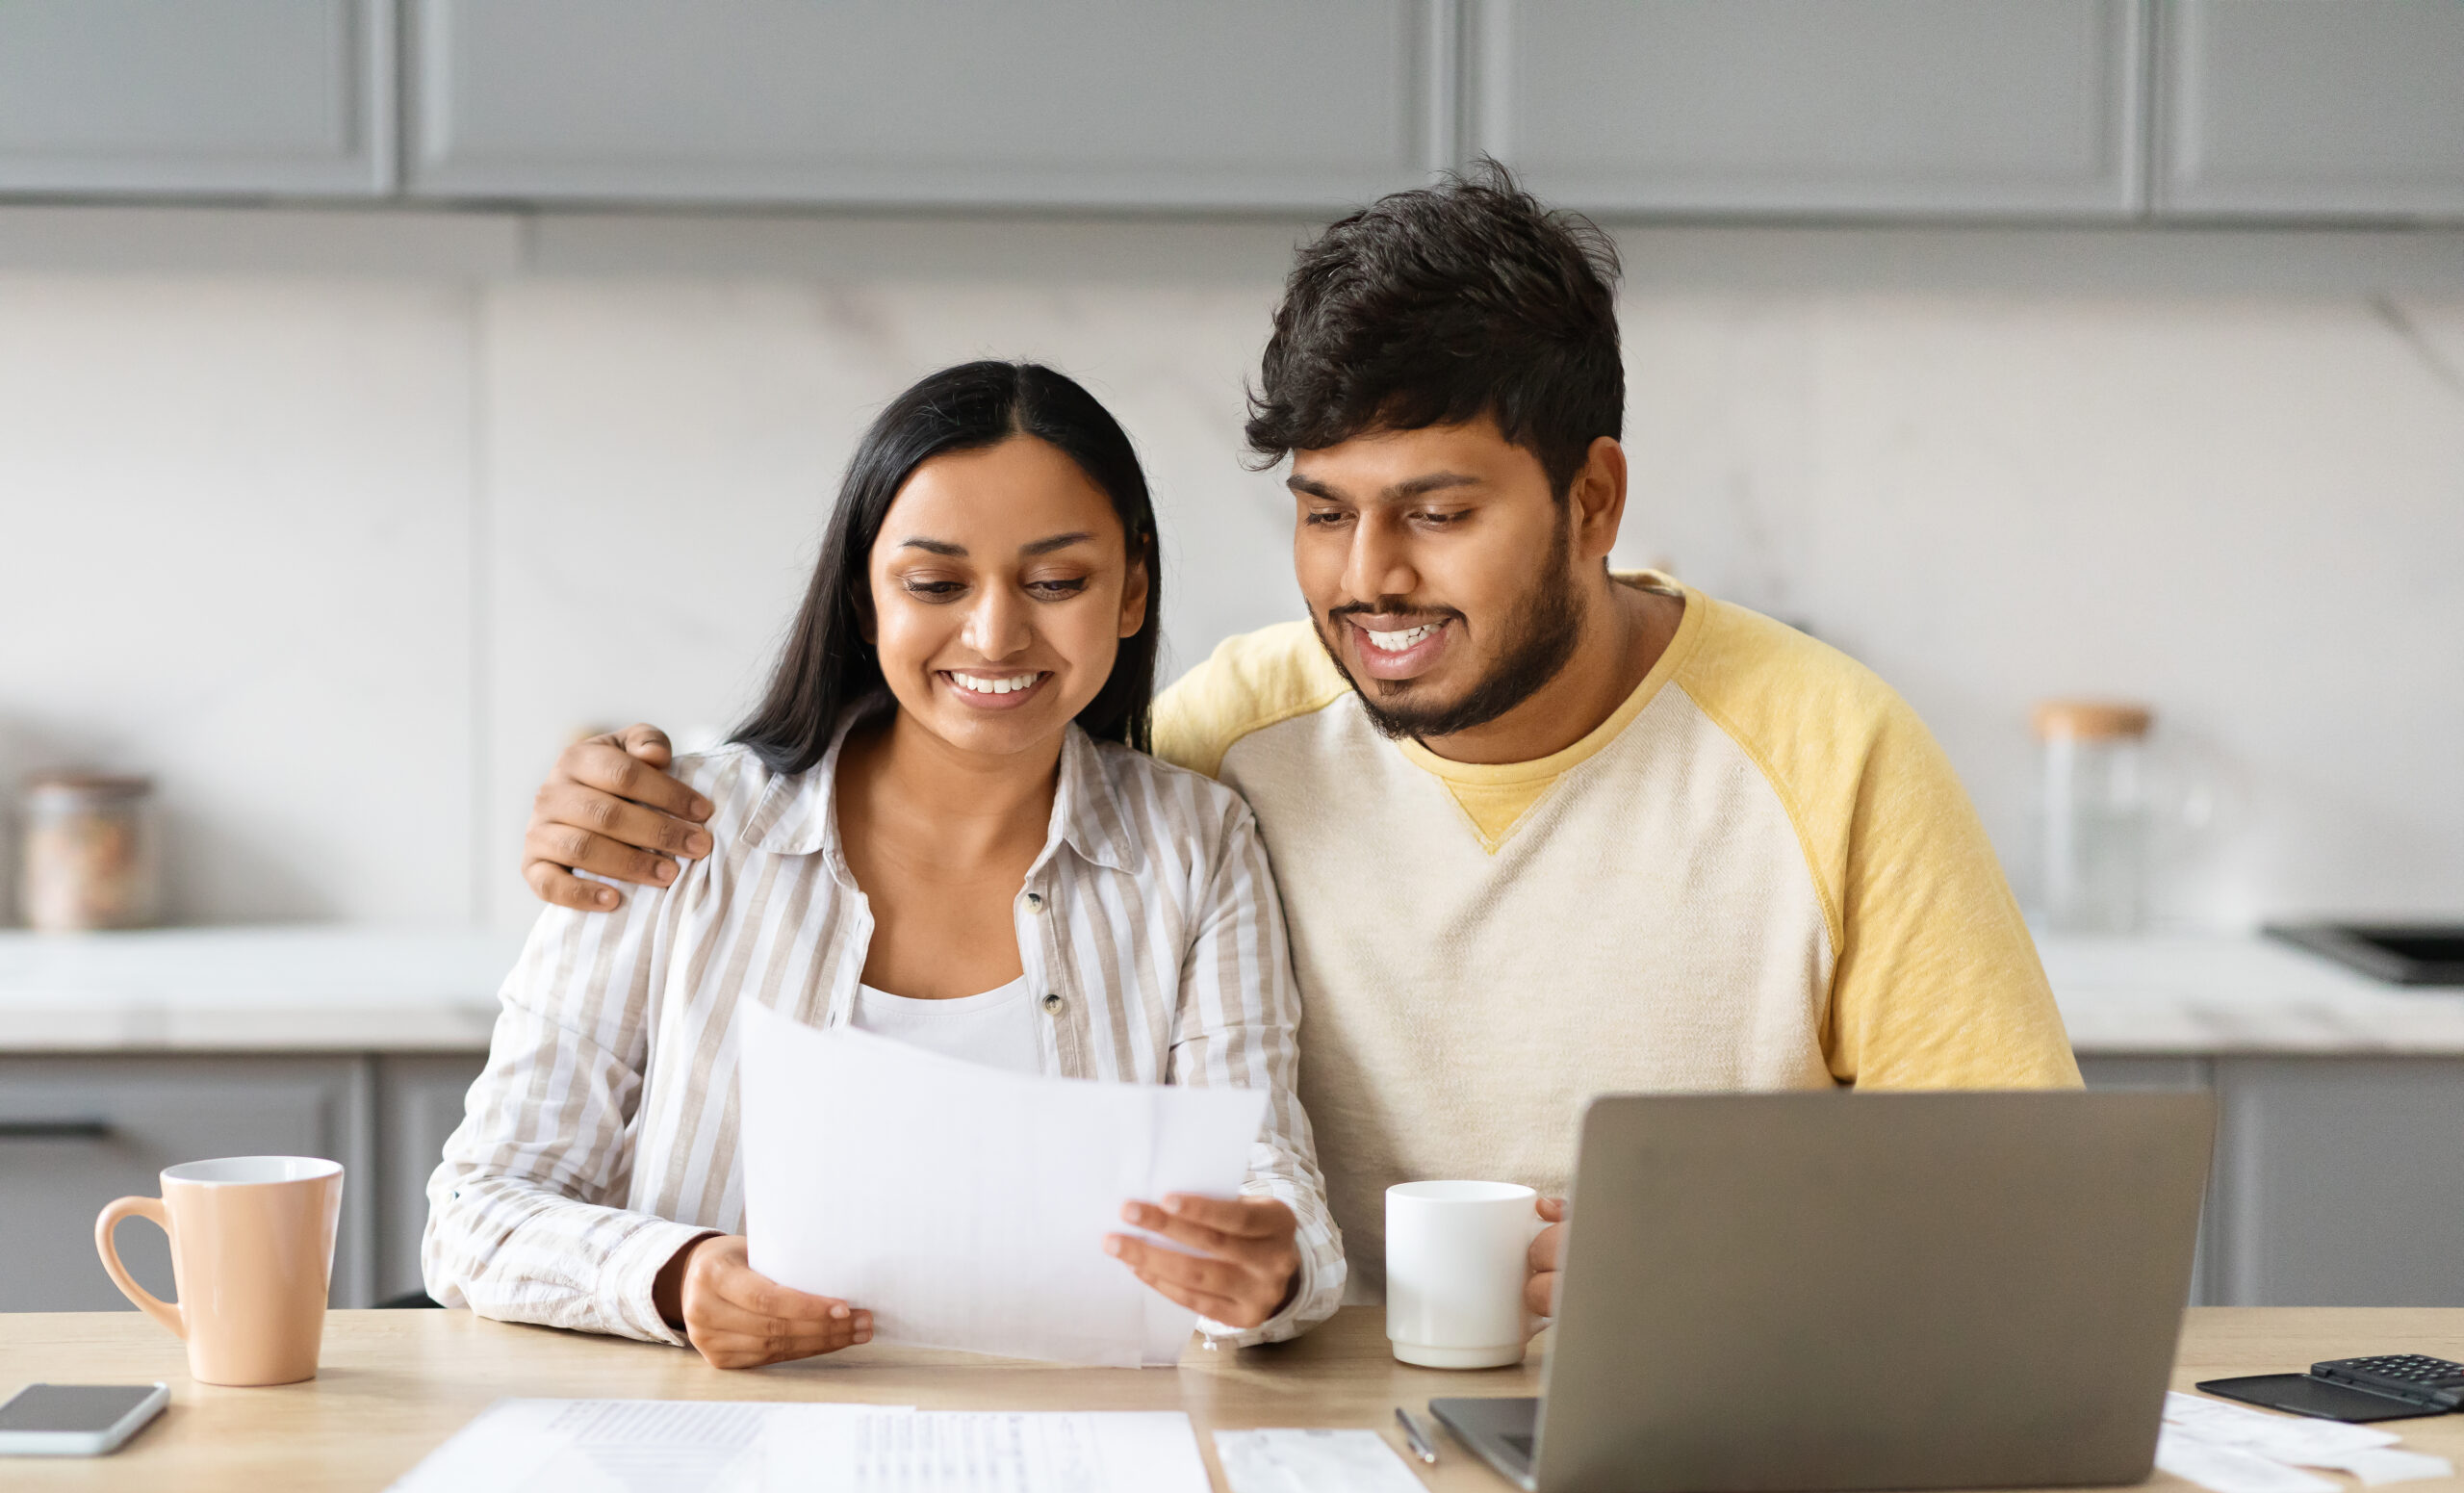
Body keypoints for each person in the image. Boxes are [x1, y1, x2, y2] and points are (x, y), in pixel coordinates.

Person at [515, 167, 2078, 1330]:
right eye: (1325, 511)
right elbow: (983, 755)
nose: (1366, 577)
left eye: (1438, 512)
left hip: (1707, 1406)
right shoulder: (1227, 749)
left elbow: (2027, 1210)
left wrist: (1687, 1258)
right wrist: (613, 805)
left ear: (1593, 502)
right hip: (1335, 1429)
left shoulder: (1828, 746)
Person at [425, 361, 1344, 1369]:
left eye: (1054, 582)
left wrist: (1274, 1269)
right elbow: (473, 1212)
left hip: (1080, 1461)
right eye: (935, 584)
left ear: (1131, 589)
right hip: (721, 1463)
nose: (994, 633)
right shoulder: (674, 825)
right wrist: (677, 1279)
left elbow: (1268, 1176)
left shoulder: (1198, 844)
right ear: (866, 598)